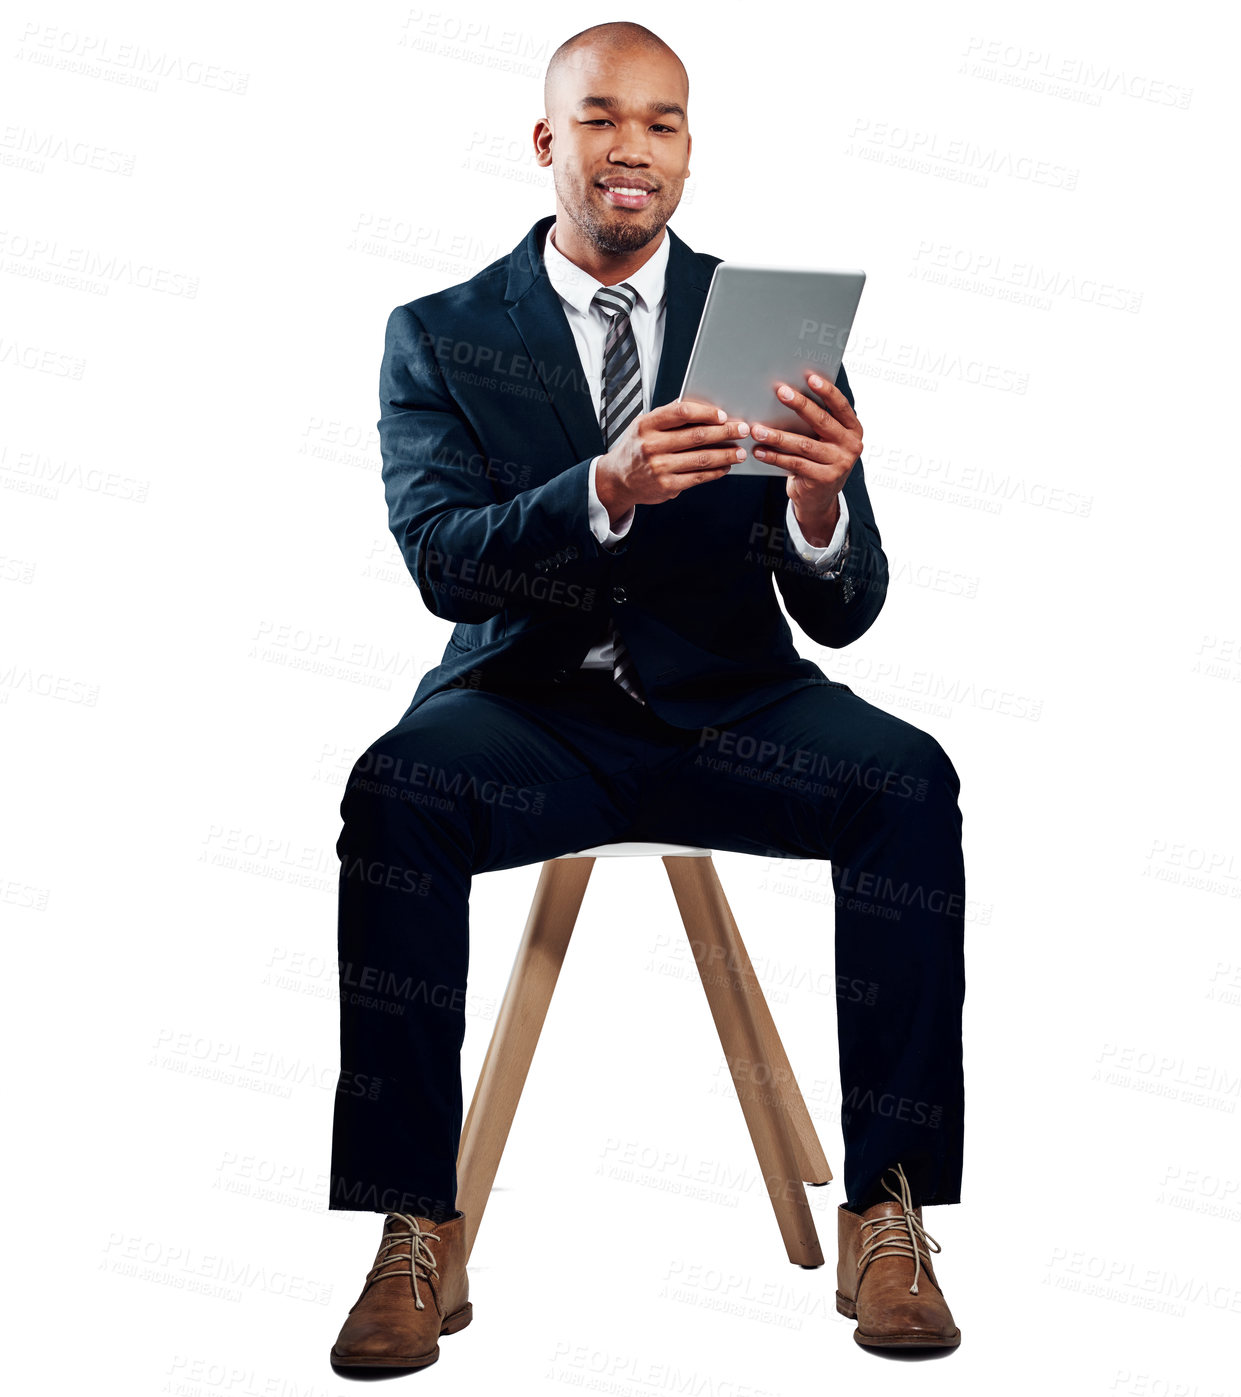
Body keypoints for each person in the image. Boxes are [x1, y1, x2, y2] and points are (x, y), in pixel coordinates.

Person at [328, 20, 965, 1369]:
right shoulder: (441, 335)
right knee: (394, 790)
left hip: (737, 708)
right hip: (529, 710)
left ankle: (887, 1210)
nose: (635, 149)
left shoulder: (770, 323)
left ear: (688, 150)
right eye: (604, 119)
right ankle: (411, 1223)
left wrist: (819, 501)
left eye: (664, 123)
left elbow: (846, 607)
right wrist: (601, 489)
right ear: (549, 140)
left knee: (910, 777)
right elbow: (443, 563)